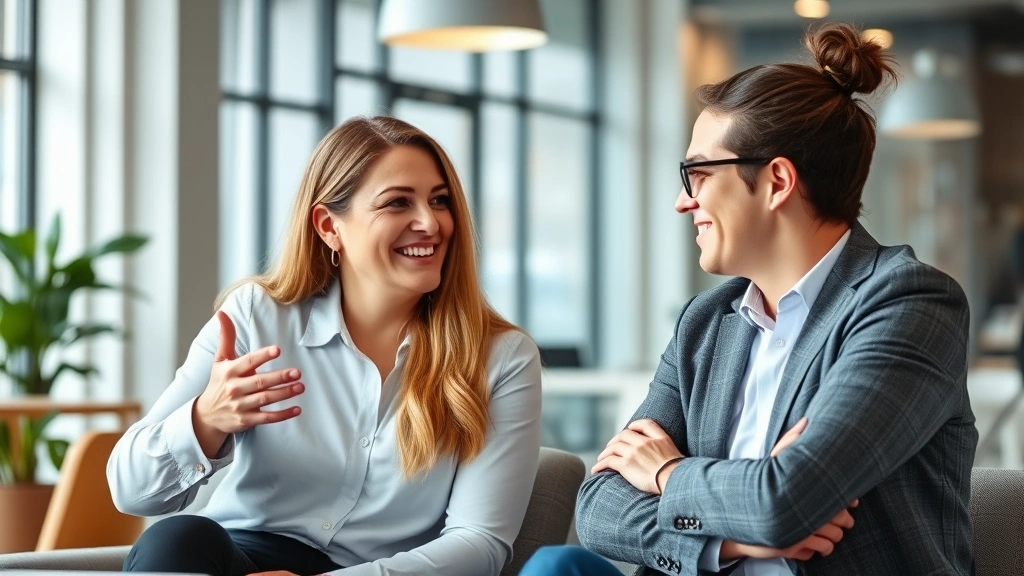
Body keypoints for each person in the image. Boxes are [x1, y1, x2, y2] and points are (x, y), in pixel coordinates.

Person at [520, 22, 975, 576]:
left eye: (697, 174)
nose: (682, 202)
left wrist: (666, 473)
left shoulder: (908, 302)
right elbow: (598, 508)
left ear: (778, 181)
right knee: (556, 565)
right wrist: (733, 542)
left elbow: (787, 500)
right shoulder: (706, 321)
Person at [107, 116, 542, 576]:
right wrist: (205, 419)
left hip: (379, 572)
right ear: (328, 226)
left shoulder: (502, 357)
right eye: (397, 203)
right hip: (239, 556)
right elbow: (131, 492)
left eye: (439, 201)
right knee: (177, 539)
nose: (430, 223)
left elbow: (480, 543)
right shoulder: (259, 315)